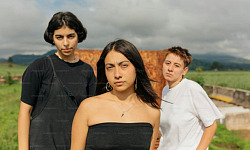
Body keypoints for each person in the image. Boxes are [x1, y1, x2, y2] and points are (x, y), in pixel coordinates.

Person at [18, 11, 96, 150]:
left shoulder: (87, 71)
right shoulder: (39, 67)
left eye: (70, 36)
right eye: (59, 37)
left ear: (78, 36)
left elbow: (91, 115)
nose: (66, 43)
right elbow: (25, 112)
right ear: (52, 38)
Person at [71, 39, 160, 150]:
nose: (117, 74)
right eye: (110, 67)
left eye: (124, 65)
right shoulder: (88, 107)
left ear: (136, 68)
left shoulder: (152, 112)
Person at [158, 46, 223, 150]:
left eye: (177, 65)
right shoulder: (165, 90)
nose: (170, 68)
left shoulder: (191, 88)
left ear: (184, 71)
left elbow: (211, 125)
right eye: (167, 63)